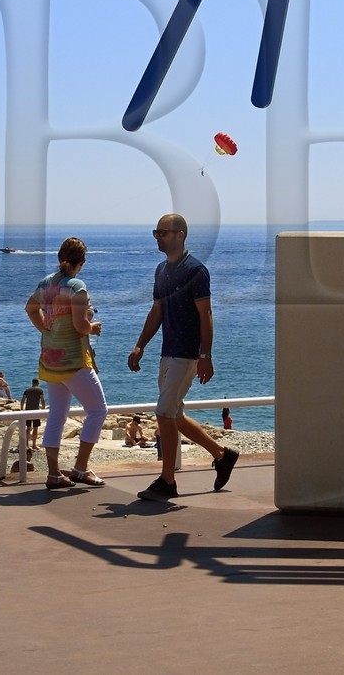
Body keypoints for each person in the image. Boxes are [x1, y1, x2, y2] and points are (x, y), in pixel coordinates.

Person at [128, 213, 239, 500]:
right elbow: (157, 313)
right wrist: (140, 345)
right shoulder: (161, 271)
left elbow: (206, 314)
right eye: (156, 232)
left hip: (187, 354)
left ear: (180, 235)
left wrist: (205, 354)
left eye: (162, 232)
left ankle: (168, 481)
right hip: (168, 352)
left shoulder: (195, 271)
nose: (158, 237)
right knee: (174, 415)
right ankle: (222, 454)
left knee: (164, 412)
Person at [25, 237, 110, 490]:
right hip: (73, 360)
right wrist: (93, 329)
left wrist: (45, 328)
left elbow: (30, 308)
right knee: (98, 410)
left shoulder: (46, 283)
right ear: (81, 262)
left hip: (51, 360)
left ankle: (54, 474)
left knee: (57, 415)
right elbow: (80, 325)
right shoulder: (77, 287)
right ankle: (81, 468)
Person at [20, 379, 46, 451]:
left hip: (27, 411)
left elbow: (22, 400)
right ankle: (34, 444)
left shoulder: (27, 390)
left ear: (32, 383)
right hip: (36, 411)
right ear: (38, 383)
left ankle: (26, 444)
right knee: (35, 428)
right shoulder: (40, 390)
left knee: (28, 428)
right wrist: (43, 410)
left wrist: (21, 409)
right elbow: (42, 400)